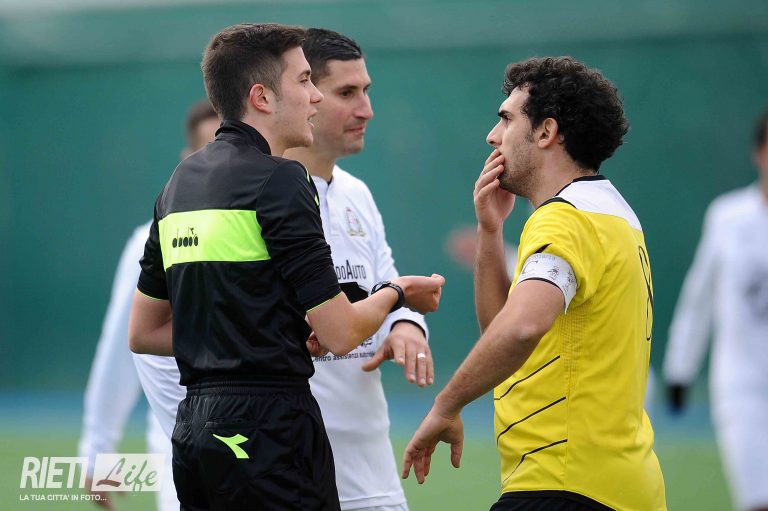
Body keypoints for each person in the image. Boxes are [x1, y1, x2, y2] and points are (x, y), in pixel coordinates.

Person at [128, 23, 444, 511]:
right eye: (304, 81)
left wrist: (267, 332)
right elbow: (341, 334)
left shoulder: (180, 183)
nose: (314, 96)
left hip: (197, 437)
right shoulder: (282, 179)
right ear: (261, 97)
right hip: (270, 432)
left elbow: (144, 333)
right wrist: (398, 294)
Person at [402, 56, 666, 511]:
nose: (493, 135)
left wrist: (446, 405)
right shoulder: (612, 212)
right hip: (611, 485)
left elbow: (522, 327)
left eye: (506, 119)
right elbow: (502, 331)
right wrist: (490, 231)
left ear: (546, 132)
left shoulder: (565, 219)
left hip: (567, 485)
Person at [77, 99, 218, 511]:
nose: (225, 163)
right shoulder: (153, 240)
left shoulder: (281, 229)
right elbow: (122, 347)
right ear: (187, 160)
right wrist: (97, 448)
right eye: (210, 151)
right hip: (185, 453)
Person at [663, 111, 768, 511]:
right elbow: (700, 298)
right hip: (743, 387)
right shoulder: (728, 218)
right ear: (759, 153)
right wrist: (680, 369)